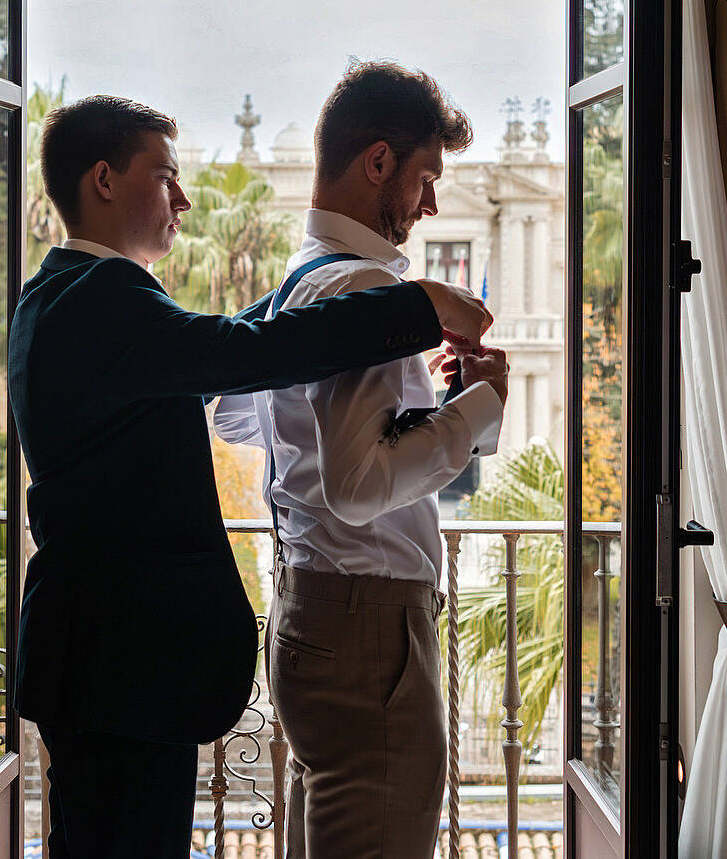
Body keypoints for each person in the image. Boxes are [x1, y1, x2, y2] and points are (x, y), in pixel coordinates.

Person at [11, 94, 492, 859]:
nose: (183, 197)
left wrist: (318, 277)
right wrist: (419, 304)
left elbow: (230, 358)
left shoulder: (59, 294)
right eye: (164, 175)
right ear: (104, 180)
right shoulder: (104, 302)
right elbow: (241, 354)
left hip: (95, 658)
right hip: (124, 665)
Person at [214, 60, 509, 858]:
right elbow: (355, 487)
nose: (432, 203)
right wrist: (485, 405)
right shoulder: (362, 288)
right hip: (369, 630)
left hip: (310, 615)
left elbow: (240, 416)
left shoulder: (298, 285)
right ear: (377, 162)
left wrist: (427, 405)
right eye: (425, 177)